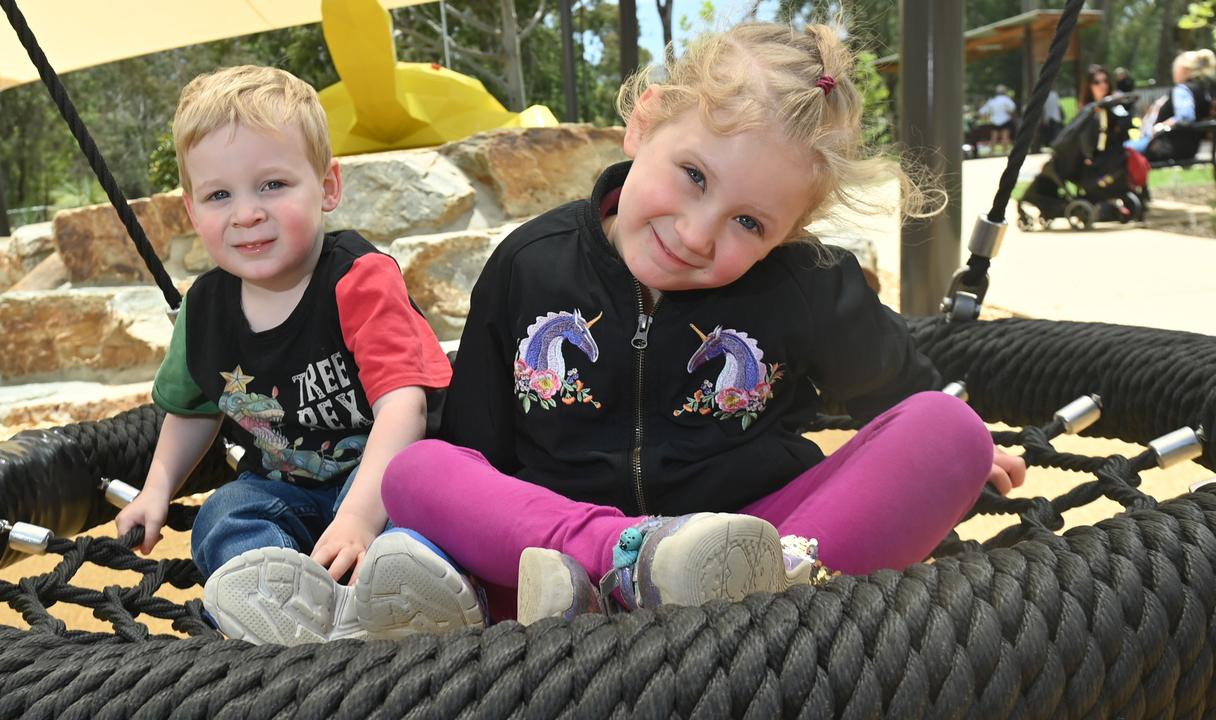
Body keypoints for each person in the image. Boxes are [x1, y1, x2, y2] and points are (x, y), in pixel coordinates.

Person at [378, 21, 1026, 625]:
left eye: (750, 223)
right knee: (420, 469)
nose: (696, 234)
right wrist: (598, 547)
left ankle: (755, 600)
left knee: (951, 430)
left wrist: (966, 451)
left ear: (787, 235)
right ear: (644, 122)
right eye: (693, 175)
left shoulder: (804, 281)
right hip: (568, 553)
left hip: (755, 540)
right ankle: (641, 569)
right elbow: (478, 447)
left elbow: (899, 387)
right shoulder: (530, 265)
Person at [114, 65, 484, 645]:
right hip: (287, 488)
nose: (246, 213)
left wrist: (360, 517)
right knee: (224, 512)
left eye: (272, 185)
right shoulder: (204, 309)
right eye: (219, 195)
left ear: (328, 187)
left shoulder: (358, 279)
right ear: (192, 211)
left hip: (389, 470)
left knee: (428, 496)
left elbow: (403, 409)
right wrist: (156, 490)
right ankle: (284, 603)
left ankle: (402, 592)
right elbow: (192, 411)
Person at [1127, 50, 1215, 162]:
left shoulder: (1182, 89)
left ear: (1184, 70)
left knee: (1121, 150)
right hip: (1189, 148)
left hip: (1165, 147)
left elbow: (1185, 117)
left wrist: (1160, 127)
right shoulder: (1204, 90)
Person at [978, 84, 1017, 154]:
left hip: (995, 120)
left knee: (994, 137)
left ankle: (991, 152)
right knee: (1005, 137)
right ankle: (1005, 152)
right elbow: (1012, 108)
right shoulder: (1007, 100)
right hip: (1005, 120)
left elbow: (982, 111)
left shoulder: (993, 101)